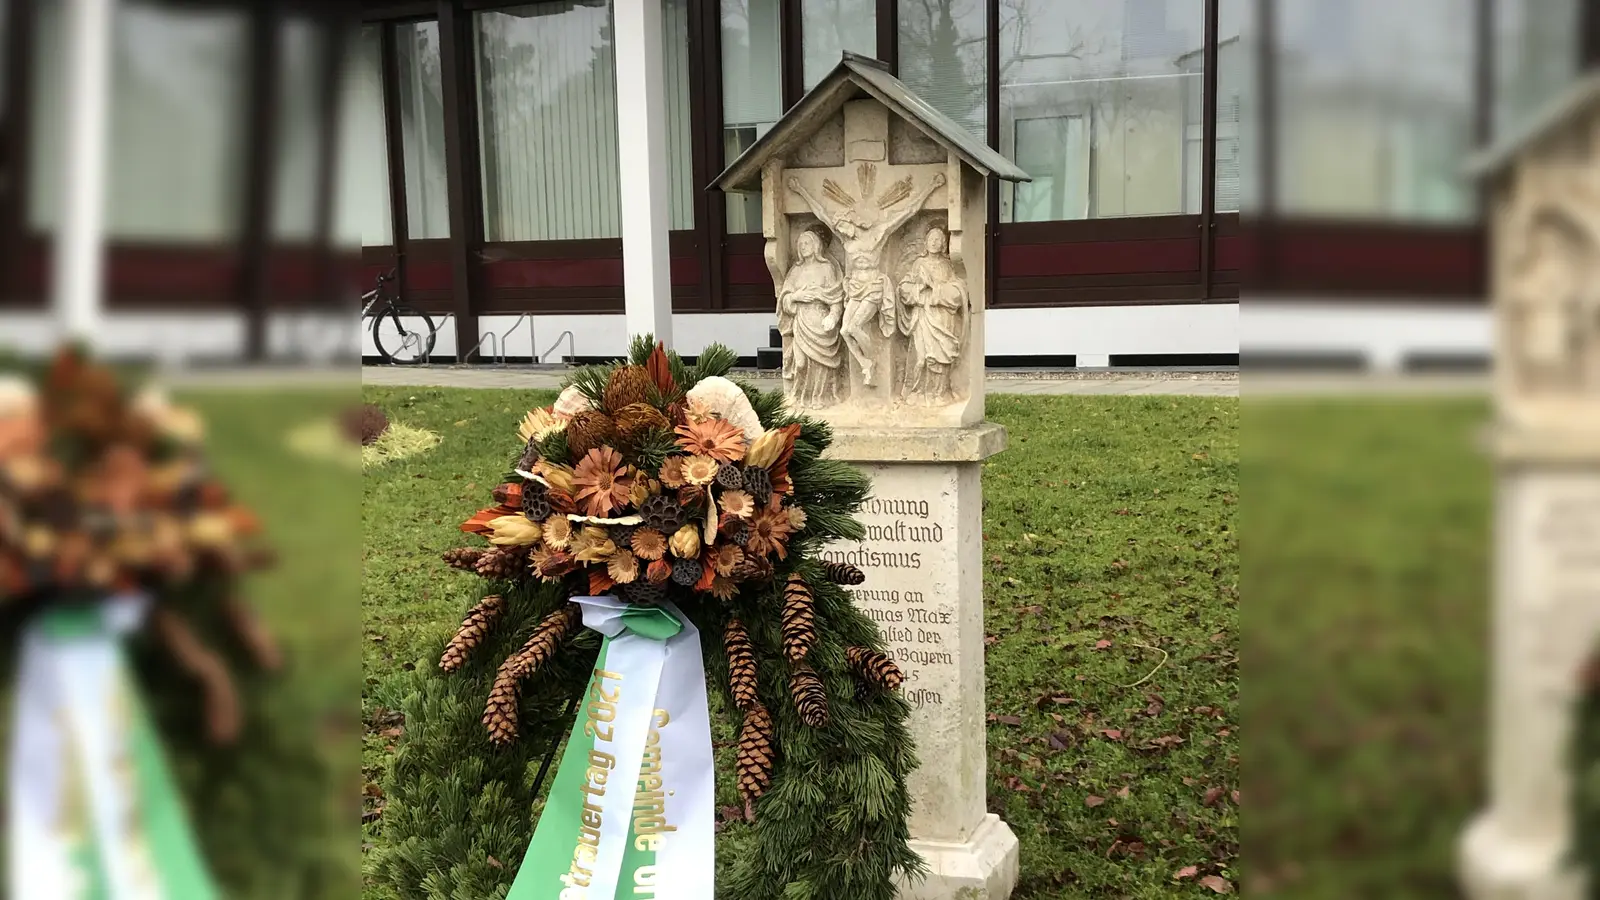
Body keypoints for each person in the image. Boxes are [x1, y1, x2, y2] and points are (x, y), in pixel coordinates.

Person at [787, 172, 947, 386]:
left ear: (853, 221)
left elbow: (909, 211)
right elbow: (821, 213)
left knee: (854, 327)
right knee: (845, 330)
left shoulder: (877, 234)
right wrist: (801, 191)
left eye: (843, 224)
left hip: (873, 287)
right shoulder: (846, 239)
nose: (840, 228)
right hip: (855, 287)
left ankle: (872, 361)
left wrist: (931, 186)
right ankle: (866, 362)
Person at [896, 225, 968, 405]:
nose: (935, 243)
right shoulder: (919, 264)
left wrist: (935, 288)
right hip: (923, 316)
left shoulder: (947, 265)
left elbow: (958, 290)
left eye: (939, 239)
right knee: (921, 357)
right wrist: (920, 287)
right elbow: (904, 288)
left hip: (942, 317)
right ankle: (918, 392)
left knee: (941, 356)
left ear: (944, 244)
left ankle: (940, 393)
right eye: (931, 239)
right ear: (926, 242)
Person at [776, 229, 845, 407]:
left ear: (816, 245)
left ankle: (819, 398)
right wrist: (796, 296)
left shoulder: (826, 268)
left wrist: (833, 316)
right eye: (800, 244)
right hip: (802, 321)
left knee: (821, 364)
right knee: (800, 363)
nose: (803, 246)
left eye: (807, 243)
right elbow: (784, 299)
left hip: (821, 321)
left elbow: (836, 298)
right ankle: (798, 395)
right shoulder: (796, 270)